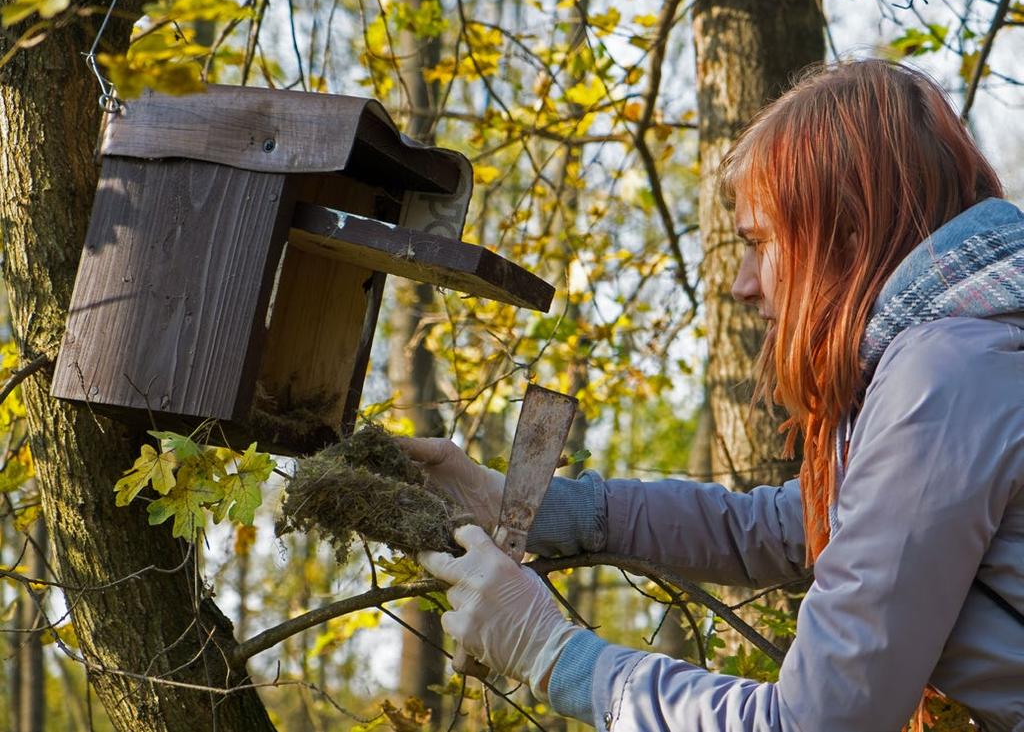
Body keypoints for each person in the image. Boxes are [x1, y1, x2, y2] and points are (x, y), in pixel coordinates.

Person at [401, 59, 1024, 731]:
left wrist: (557, 655)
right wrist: (547, 508)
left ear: (848, 233)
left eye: (760, 242)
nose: (743, 282)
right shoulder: (966, 351)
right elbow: (795, 525)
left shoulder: (944, 378)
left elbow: (810, 723)